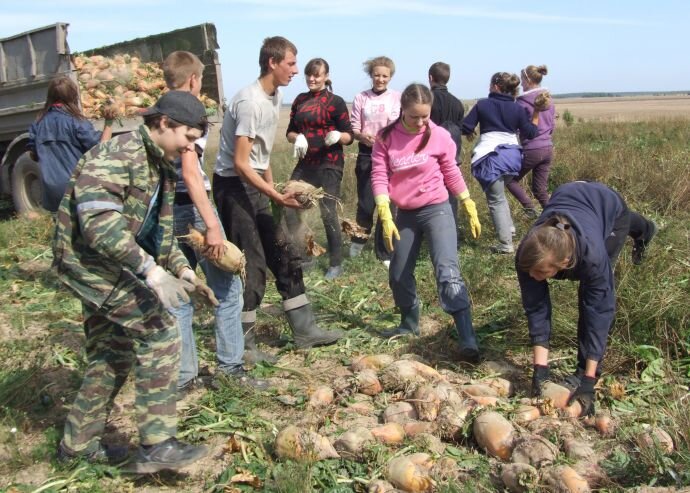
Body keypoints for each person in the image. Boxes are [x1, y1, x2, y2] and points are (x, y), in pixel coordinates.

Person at [52, 90, 212, 473]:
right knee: (159, 331)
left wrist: (184, 271)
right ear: (163, 124)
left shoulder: (161, 166)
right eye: (188, 138)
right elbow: (98, 225)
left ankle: (76, 446)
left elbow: (161, 235)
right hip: (89, 262)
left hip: (114, 263)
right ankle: (157, 444)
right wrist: (151, 272)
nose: (190, 148)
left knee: (112, 352)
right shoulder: (118, 155)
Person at [213, 37, 343, 360]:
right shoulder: (250, 102)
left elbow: (261, 153)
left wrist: (274, 189)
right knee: (251, 262)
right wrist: (276, 196)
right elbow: (241, 163)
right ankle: (243, 345)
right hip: (233, 185)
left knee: (284, 252)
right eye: (291, 64)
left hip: (256, 184)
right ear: (272, 63)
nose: (296, 71)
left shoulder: (276, 97)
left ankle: (305, 330)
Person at [161, 51, 260, 390]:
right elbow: (190, 171)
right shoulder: (191, 112)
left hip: (164, 212)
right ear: (193, 80)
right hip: (193, 209)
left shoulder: (157, 112)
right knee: (229, 289)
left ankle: (185, 377)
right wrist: (212, 226)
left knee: (180, 293)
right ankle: (230, 369)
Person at [516, 181, 658, 416]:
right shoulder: (529, 253)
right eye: (532, 271)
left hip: (607, 202)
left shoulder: (592, 257)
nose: (533, 276)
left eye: (541, 273)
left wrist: (589, 380)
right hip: (573, 194)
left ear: (564, 264)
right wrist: (540, 369)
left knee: (588, 296)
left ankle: (584, 369)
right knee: (600, 221)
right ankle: (641, 228)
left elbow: (599, 312)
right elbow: (536, 308)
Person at [371, 83, 482, 362]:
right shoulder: (386, 138)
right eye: (414, 117)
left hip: (437, 209)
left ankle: (467, 336)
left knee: (447, 271)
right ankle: (409, 322)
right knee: (398, 273)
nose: (421, 122)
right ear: (402, 111)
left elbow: (450, 170)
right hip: (406, 214)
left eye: (426, 116)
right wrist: (384, 207)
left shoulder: (440, 135)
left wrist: (467, 201)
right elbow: (379, 174)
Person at [285, 57, 354, 280]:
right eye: (309, 75)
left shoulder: (336, 102)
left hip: (330, 162)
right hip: (306, 163)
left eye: (317, 75)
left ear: (326, 76)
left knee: (327, 212)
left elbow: (349, 136)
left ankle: (335, 262)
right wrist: (298, 138)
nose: (312, 79)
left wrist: (338, 136)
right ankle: (306, 255)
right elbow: (290, 132)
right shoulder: (299, 100)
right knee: (290, 204)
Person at [462, 72, 538, 254]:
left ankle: (505, 244)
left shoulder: (483, 105)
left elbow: (466, 127)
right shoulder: (518, 108)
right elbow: (530, 132)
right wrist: (537, 113)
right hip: (513, 157)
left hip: (492, 157)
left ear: (496, 86)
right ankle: (509, 230)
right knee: (500, 196)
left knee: (495, 200)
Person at [28, 76, 116, 212]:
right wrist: (109, 122)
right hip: (76, 190)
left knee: (62, 229)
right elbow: (101, 149)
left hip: (52, 193)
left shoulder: (38, 123)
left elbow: (33, 155)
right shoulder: (76, 122)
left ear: (50, 97)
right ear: (73, 96)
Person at [349, 56, 401, 266]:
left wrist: (383, 139)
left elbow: (398, 125)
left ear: (390, 77)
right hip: (365, 154)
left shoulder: (396, 97)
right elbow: (354, 127)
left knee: (387, 203)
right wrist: (362, 136)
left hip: (390, 155)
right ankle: (358, 242)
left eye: (384, 76)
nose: (380, 79)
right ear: (371, 75)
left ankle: (385, 250)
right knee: (366, 201)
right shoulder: (361, 97)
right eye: (377, 75)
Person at [506, 65, 556, 216]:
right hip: (547, 147)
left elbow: (514, 126)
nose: (521, 84)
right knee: (540, 190)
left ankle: (530, 209)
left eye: (522, 80)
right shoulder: (549, 100)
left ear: (528, 80)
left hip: (532, 149)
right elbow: (552, 126)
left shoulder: (521, 103)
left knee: (509, 179)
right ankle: (554, 216)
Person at [428, 61, 465, 230]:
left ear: (430, 78)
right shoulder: (457, 103)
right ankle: (451, 232)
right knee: (451, 196)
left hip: (430, 156)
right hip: (452, 156)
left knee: (430, 195)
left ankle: (430, 232)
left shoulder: (426, 100)